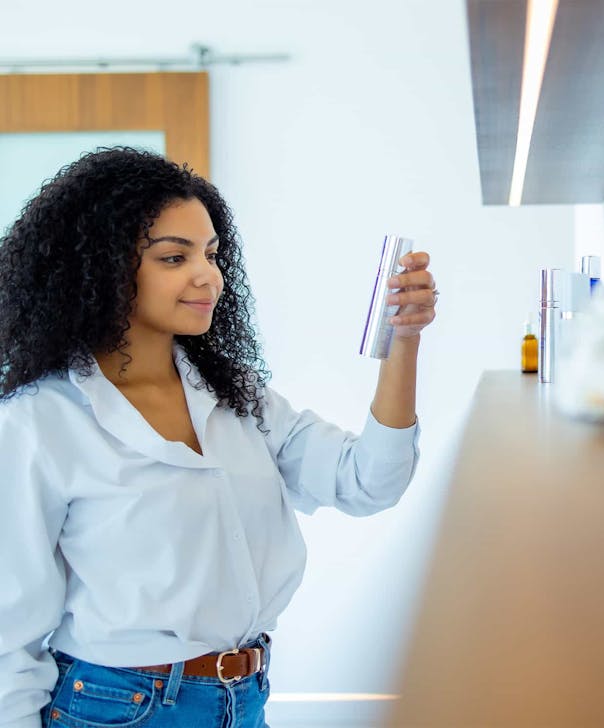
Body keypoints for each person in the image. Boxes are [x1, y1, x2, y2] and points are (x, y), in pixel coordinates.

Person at [0, 147, 437, 728]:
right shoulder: (38, 422)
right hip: (115, 707)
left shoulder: (235, 396)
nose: (208, 275)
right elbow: (8, 636)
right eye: (174, 257)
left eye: (211, 253)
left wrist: (402, 343)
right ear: (102, 268)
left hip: (243, 696)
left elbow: (367, 482)